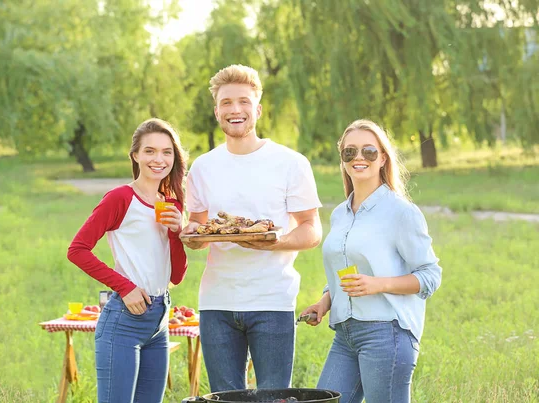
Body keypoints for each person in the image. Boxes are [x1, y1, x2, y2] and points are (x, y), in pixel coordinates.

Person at [181, 64, 323, 392]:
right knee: (225, 398)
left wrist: (276, 242)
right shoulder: (203, 167)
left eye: (243, 101)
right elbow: (201, 231)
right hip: (217, 302)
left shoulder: (290, 163)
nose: (235, 110)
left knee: (273, 397)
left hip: (272, 299)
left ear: (257, 109)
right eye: (227, 103)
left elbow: (312, 229)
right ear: (217, 111)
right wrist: (191, 236)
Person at [300, 119, 442, 403]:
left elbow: (430, 275)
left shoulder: (401, 212)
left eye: (369, 151)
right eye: (349, 152)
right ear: (342, 159)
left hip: (387, 332)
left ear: (383, 158)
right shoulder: (340, 213)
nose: (359, 158)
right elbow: (348, 273)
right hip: (346, 333)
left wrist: (378, 284)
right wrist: (325, 302)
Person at [67, 118, 188, 403]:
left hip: (159, 320)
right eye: (150, 151)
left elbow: (177, 276)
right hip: (124, 319)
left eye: (166, 152)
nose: (158, 159)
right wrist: (125, 287)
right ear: (135, 155)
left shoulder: (170, 204)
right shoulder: (121, 198)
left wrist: (176, 232)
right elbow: (78, 249)